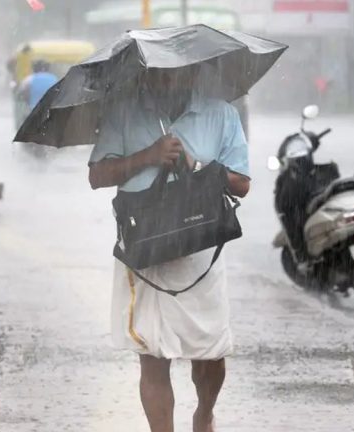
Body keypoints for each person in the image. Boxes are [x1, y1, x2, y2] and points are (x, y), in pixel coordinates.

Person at [88, 66, 250, 432]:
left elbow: (242, 183)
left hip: (200, 251)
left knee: (210, 353)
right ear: (144, 75)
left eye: (176, 73)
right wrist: (147, 156)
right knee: (153, 354)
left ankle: (204, 413)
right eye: (157, 73)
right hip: (145, 251)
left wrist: (198, 166)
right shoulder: (124, 112)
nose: (166, 81)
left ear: (194, 73)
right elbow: (97, 176)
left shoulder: (221, 114)